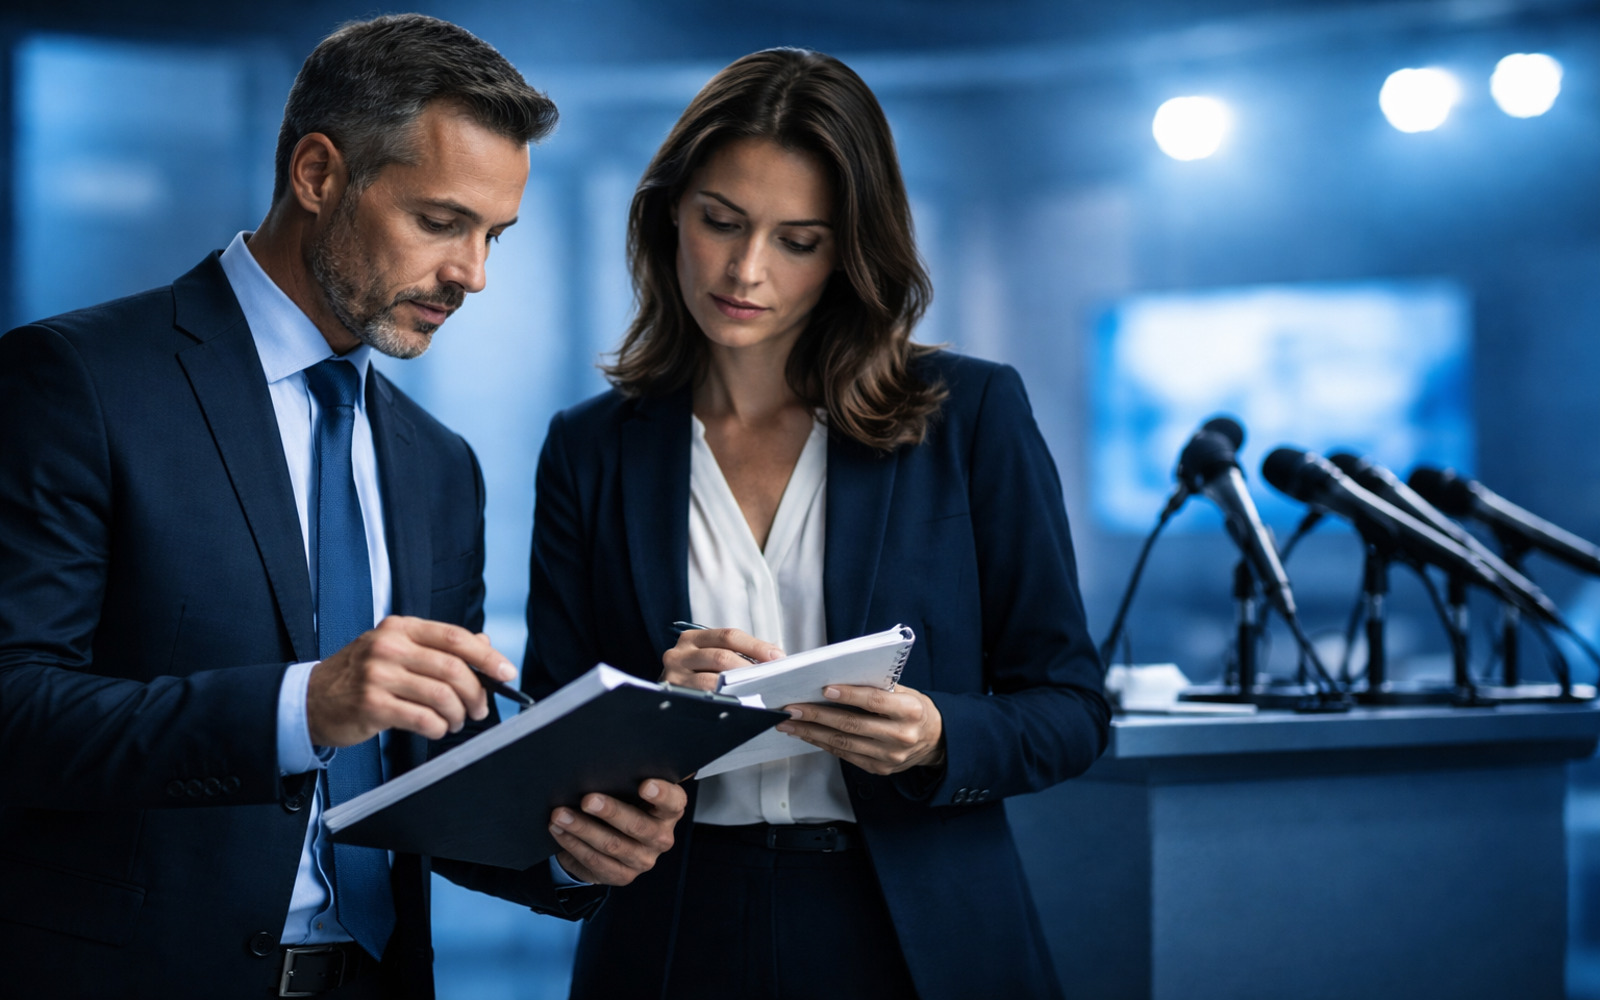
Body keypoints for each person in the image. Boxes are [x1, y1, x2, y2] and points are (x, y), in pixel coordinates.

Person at [0, 15, 684, 999]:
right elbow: (16, 704)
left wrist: (574, 843)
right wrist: (302, 704)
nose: (473, 275)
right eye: (441, 221)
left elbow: (421, 776)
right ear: (318, 175)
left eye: (493, 235)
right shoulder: (78, 380)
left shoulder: (437, 465)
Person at [522, 47, 1110, 1000]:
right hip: (671, 930)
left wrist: (936, 737)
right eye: (720, 222)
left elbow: (1072, 708)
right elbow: (552, 724)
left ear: (849, 253)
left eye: (798, 241)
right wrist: (647, 704)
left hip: (912, 928)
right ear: (668, 209)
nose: (747, 270)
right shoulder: (590, 447)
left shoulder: (971, 414)